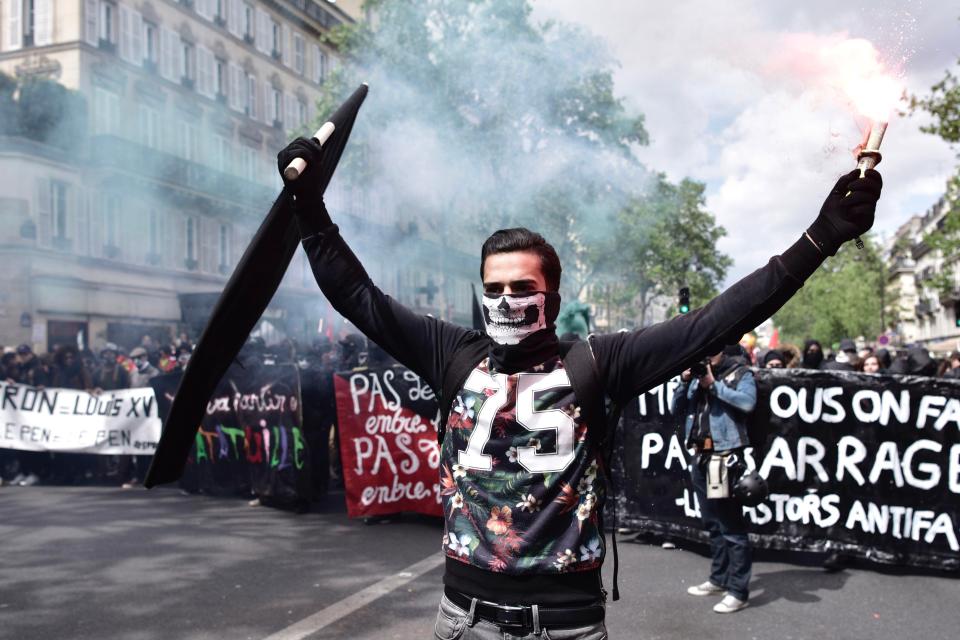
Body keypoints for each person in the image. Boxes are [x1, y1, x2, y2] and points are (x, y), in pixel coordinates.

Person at [278, 137, 882, 637]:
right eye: (494, 289)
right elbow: (358, 297)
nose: (506, 300)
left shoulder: (601, 361)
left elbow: (717, 320)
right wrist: (310, 211)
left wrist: (821, 236)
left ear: (553, 299)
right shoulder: (451, 353)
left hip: (567, 622)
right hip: (465, 618)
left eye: (521, 287)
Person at [672, 345, 756, 613]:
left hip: (724, 457)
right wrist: (685, 381)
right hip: (700, 455)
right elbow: (677, 407)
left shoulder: (739, 373)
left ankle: (738, 590)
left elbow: (747, 403)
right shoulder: (696, 376)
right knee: (712, 523)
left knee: (731, 525)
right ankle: (719, 579)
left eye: (710, 350)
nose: (703, 355)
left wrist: (713, 385)